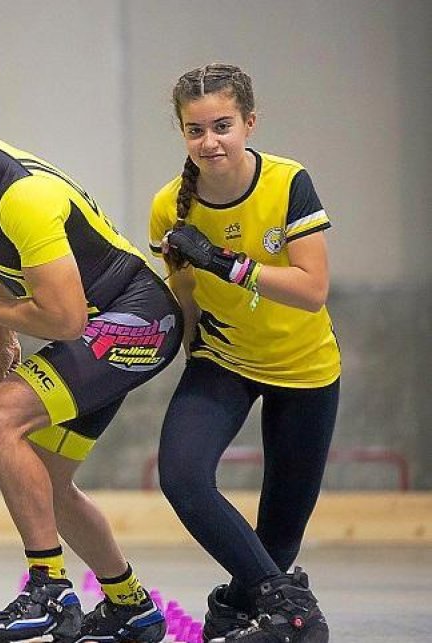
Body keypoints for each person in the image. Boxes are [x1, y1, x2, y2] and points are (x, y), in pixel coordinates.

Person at [0, 41, 182, 643]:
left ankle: (48, 590)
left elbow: (66, 319)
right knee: (47, 480)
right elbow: (2, 261)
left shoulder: (17, 193)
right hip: (107, 320)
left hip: (132, 318)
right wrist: (4, 335)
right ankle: (132, 606)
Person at [150, 63, 337, 643]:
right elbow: (183, 299)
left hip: (305, 372)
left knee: (275, 544)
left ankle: (237, 608)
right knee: (181, 476)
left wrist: (226, 263)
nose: (210, 142)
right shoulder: (169, 207)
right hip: (222, 363)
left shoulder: (287, 183)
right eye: (195, 130)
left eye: (223, 126)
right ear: (182, 133)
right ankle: (294, 615)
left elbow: (312, 290)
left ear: (250, 123)